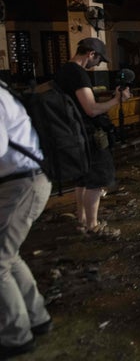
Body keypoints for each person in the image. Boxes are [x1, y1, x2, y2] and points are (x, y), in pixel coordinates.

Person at [55, 37, 131, 238]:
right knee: (97, 180)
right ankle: (93, 225)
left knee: (82, 178)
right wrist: (116, 100)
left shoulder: (63, 71)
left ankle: (81, 221)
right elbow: (91, 109)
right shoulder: (78, 74)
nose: (97, 65)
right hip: (88, 134)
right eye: (98, 60)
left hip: (73, 132)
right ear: (91, 54)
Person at [0, 82, 54, 359]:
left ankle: (15, 336)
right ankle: (37, 318)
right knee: (8, 256)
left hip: (21, 184)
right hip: (24, 182)